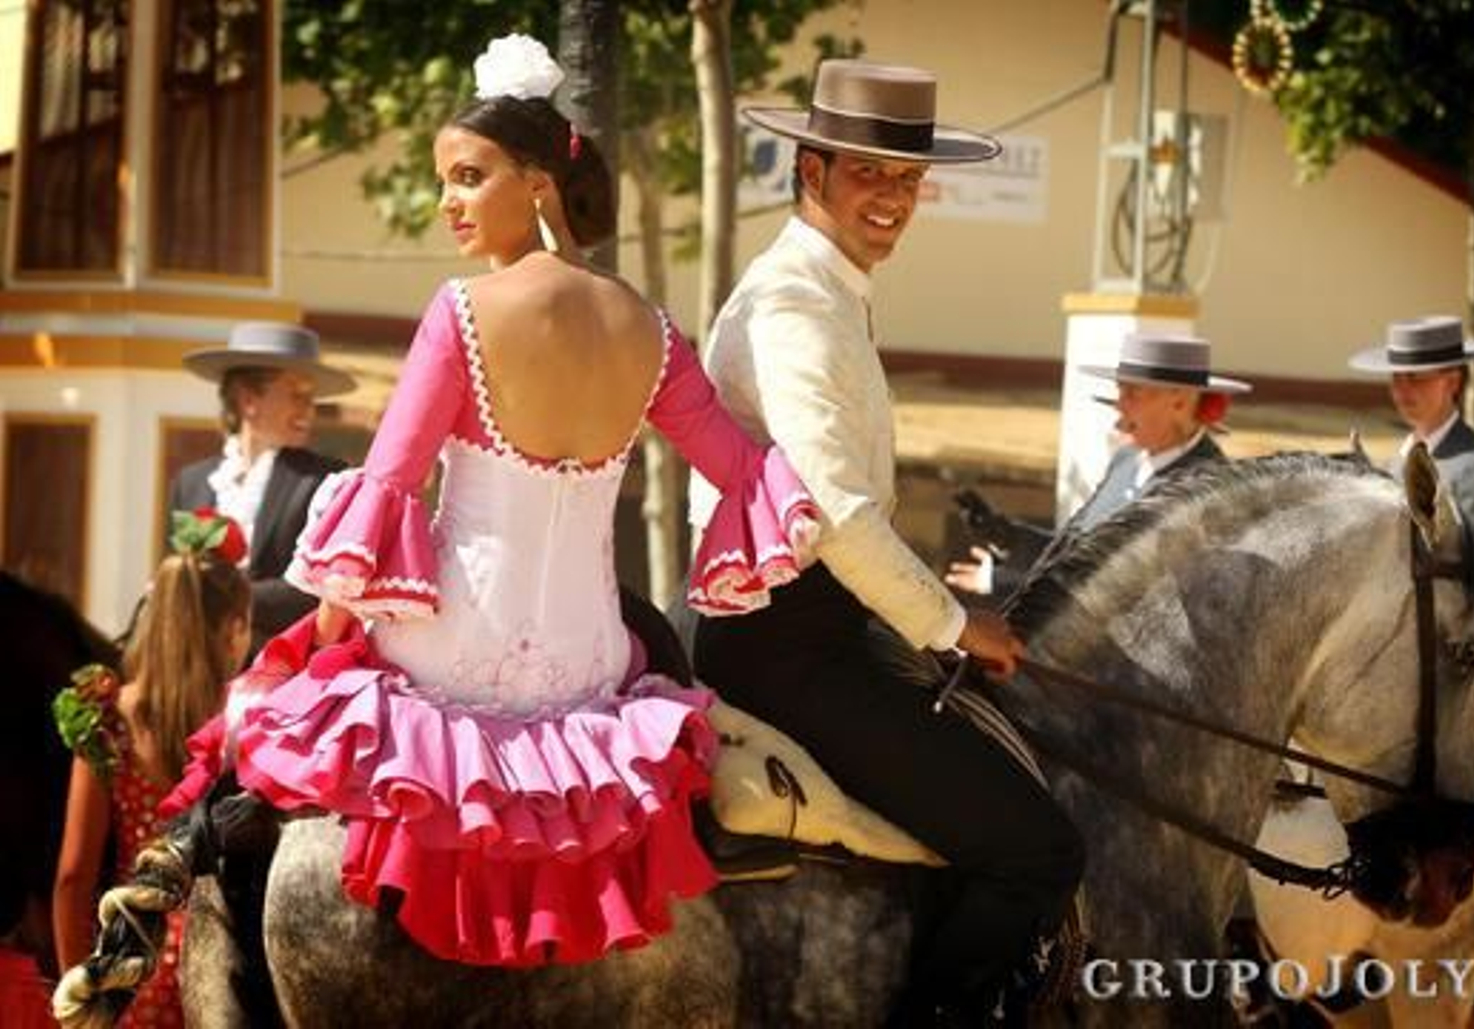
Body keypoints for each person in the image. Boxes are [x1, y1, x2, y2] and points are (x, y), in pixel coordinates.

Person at [207, 33, 817, 970]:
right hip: (588, 672)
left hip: (443, 656)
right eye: (444, 182)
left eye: (467, 177)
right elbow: (745, 473)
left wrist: (319, 640)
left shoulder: (461, 311)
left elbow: (390, 484)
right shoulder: (652, 330)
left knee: (249, 747)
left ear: (537, 183)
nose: (447, 203)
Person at [687, 59, 1082, 1024]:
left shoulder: (828, 289)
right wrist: (952, 624)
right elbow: (836, 511)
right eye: (869, 173)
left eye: (908, 179)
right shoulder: (795, 305)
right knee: (1041, 851)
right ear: (810, 171)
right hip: (790, 653)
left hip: (820, 633)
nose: (893, 198)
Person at [52, 511, 251, 1028]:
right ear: (234, 630)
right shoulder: (244, 723)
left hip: (133, 967)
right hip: (222, 966)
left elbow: (73, 877)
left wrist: (83, 1001)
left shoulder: (106, 717)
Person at [946, 333, 1249, 600]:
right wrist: (1008, 537)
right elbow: (1078, 550)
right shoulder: (1127, 460)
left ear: (1179, 402)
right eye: (1120, 391)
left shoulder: (1208, 489)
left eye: (1132, 393)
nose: (1119, 405)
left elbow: (1121, 588)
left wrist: (1002, 582)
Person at [1349, 315, 1474, 726]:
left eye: (1416, 378)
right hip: (1403, 658)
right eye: (1396, 378)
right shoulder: (1396, 462)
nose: (1402, 390)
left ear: (1452, 381)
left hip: (1467, 667)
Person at [171, 322, 354, 652]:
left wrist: (224, 598)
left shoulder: (325, 478)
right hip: (196, 660)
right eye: (296, 394)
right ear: (248, 400)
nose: (308, 408)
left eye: (310, 397)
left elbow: (322, 586)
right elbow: (178, 573)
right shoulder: (192, 482)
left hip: (281, 662)